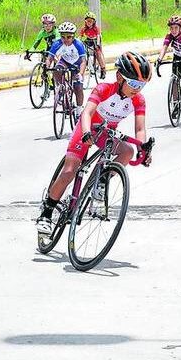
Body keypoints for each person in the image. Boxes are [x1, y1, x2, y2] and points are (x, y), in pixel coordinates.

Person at [35, 52, 153, 235]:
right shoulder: (104, 89)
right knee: (69, 171)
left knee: (128, 151)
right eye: (134, 84)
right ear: (120, 77)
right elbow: (88, 113)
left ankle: (102, 181)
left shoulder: (138, 99)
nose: (137, 89)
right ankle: (46, 212)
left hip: (106, 133)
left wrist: (143, 148)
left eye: (142, 85)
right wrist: (87, 133)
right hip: (87, 128)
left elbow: (140, 129)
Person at [48, 22, 87, 118]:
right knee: (56, 69)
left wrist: (81, 74)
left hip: (77, 64)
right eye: (63, 37)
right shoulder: (57, 43)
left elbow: (83, 61)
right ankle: (61, 88)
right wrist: (47, 67)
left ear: (73, 36)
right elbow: (49, 58)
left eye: (69, 37)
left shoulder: (78, 44)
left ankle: (79, 111)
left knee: (78, 87)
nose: (65, 39)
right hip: (65, 61)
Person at [79, 11, 106, 79]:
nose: (89, 23)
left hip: (96, 40)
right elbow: (80, 37)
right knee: (82, 51)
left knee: (98, 53)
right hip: (88, 40)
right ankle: (86, 64)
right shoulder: (84, 28)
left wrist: (97, 45)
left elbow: (98, 36)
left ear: (93, 22)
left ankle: (103, 69)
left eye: (90, 21)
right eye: (87, 21)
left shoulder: (96, 28)